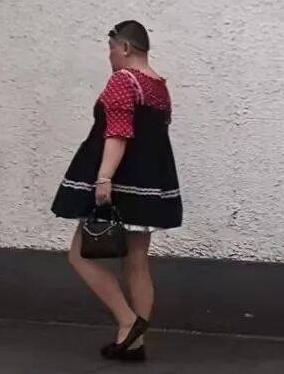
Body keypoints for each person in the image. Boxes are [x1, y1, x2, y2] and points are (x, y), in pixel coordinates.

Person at [51, 20, 182, 362]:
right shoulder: (158, 86)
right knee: (137, 262)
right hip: (148, 183)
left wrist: (103, 178)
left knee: (79, 256)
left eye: (111, 49)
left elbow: (118, 133)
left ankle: (128, 321)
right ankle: (134, 343)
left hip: (121, 181)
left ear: (124, 48)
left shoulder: (124, 80)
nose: (109, 56)